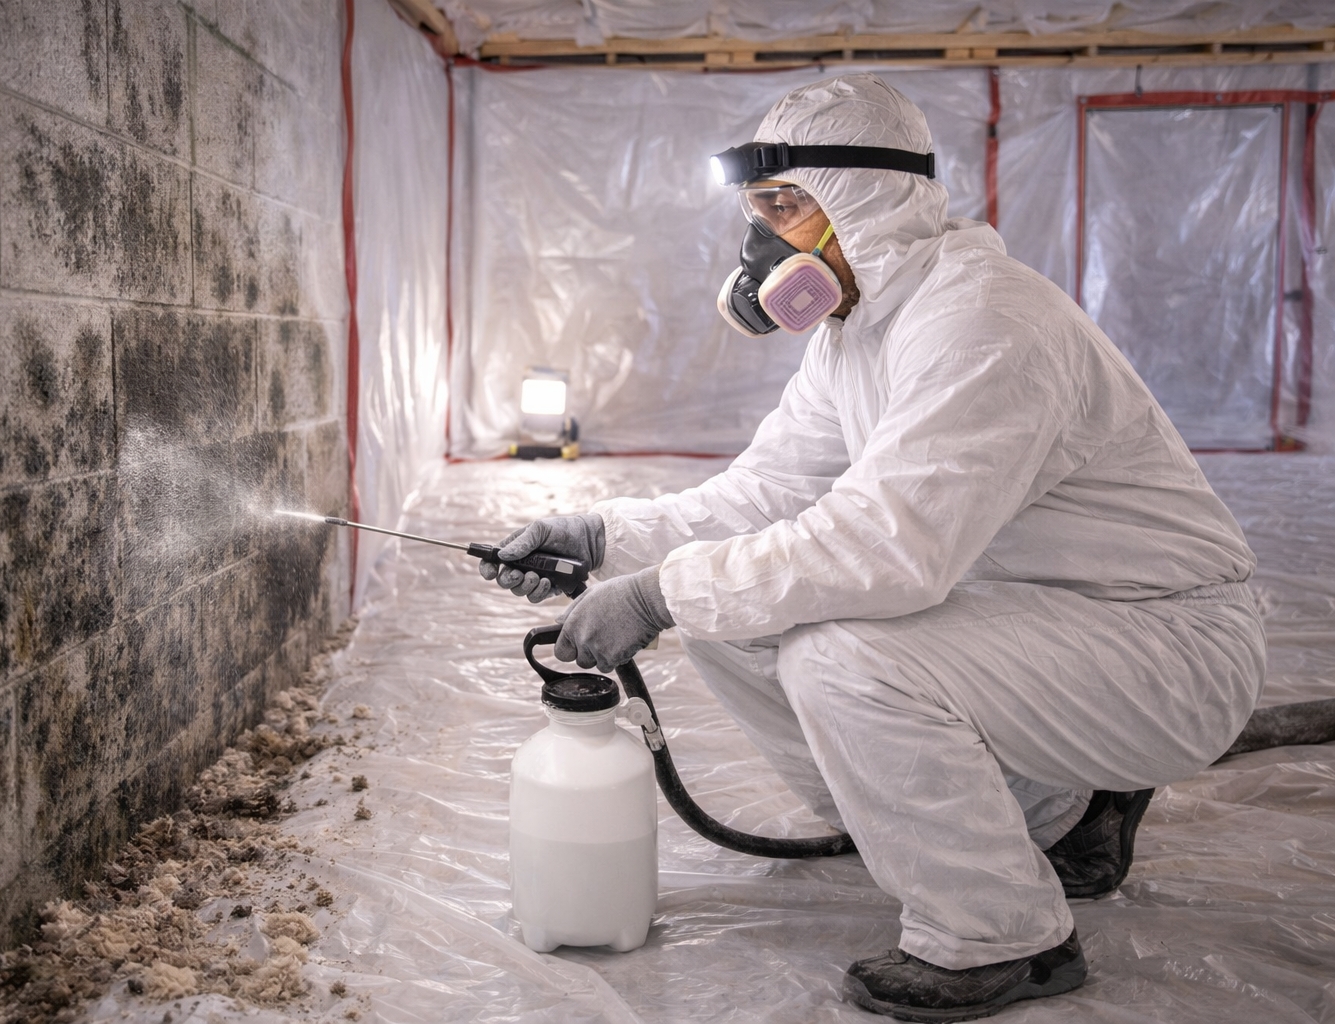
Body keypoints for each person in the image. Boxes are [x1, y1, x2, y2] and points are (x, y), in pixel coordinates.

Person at [481, 73, 1264, 1021]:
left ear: (870, 199)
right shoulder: (854, 330)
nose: (760, 243)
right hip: (1043, 617)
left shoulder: (983, 323)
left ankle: (1000, 934)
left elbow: (893, 547)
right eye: (755, 211)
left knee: (841, 652)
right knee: (738, 615)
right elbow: (766, 496)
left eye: (784, 206)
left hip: (1162, 642)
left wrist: (656, 596)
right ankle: (1046, 819)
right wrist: (601, 536)